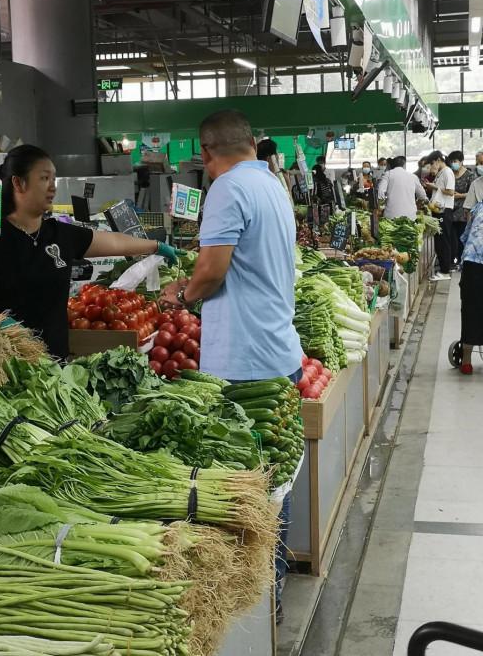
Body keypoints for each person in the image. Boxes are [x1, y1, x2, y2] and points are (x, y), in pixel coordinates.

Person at [160, 109, 302, 618]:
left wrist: (181, 294)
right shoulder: (272, 184)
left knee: (246, 486)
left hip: (245, 356)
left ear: (205, 153)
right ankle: (272, 591)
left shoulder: (225, 189)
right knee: (275, 480)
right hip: (277, 348)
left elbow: (211, 271)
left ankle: (258, 605)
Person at [0, 144, 181, 359]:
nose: (52, 187)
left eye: (53, 179)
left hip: (55, 358)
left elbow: (113, 241)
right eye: (44, 178)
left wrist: (155, 246)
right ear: (18, 183)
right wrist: (4, 323)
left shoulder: (60, 234)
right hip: (7, 359)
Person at [457, 199, 483, 375]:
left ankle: (466, 361)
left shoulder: (479, 207)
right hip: (474, 261)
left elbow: (465, 237)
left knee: (470, 309)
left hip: (473, 262)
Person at [422, 151, 455, 281]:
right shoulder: (441, 173)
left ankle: (445, 271)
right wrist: (432, 187)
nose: (431, 166)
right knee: (439, 241)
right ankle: (443, 267)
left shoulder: (447, 172)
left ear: (438, 160)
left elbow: (451, 192)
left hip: (444, 211)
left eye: (432, 163)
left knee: (443, 241)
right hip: (438, 209)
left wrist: (435, 187)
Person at [377, 155, 426, 221]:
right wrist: (417, 204)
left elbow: (380, 193)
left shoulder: (387, 174)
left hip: (391, 216)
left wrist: (381, 205)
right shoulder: (413, 177)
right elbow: (422, 196)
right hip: (410, 217)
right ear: (404, 165)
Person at [448, 150, 475, 266]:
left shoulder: (469, 175)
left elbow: (473, 193)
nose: (453, 164)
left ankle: (462, 260)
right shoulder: (450, 174)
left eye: (455, 161)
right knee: (452, 238)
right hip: (450, 210)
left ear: (461, 161)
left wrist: (460, 195)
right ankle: (454, 260)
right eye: (452, 161)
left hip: (463, 212)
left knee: (462, 237)